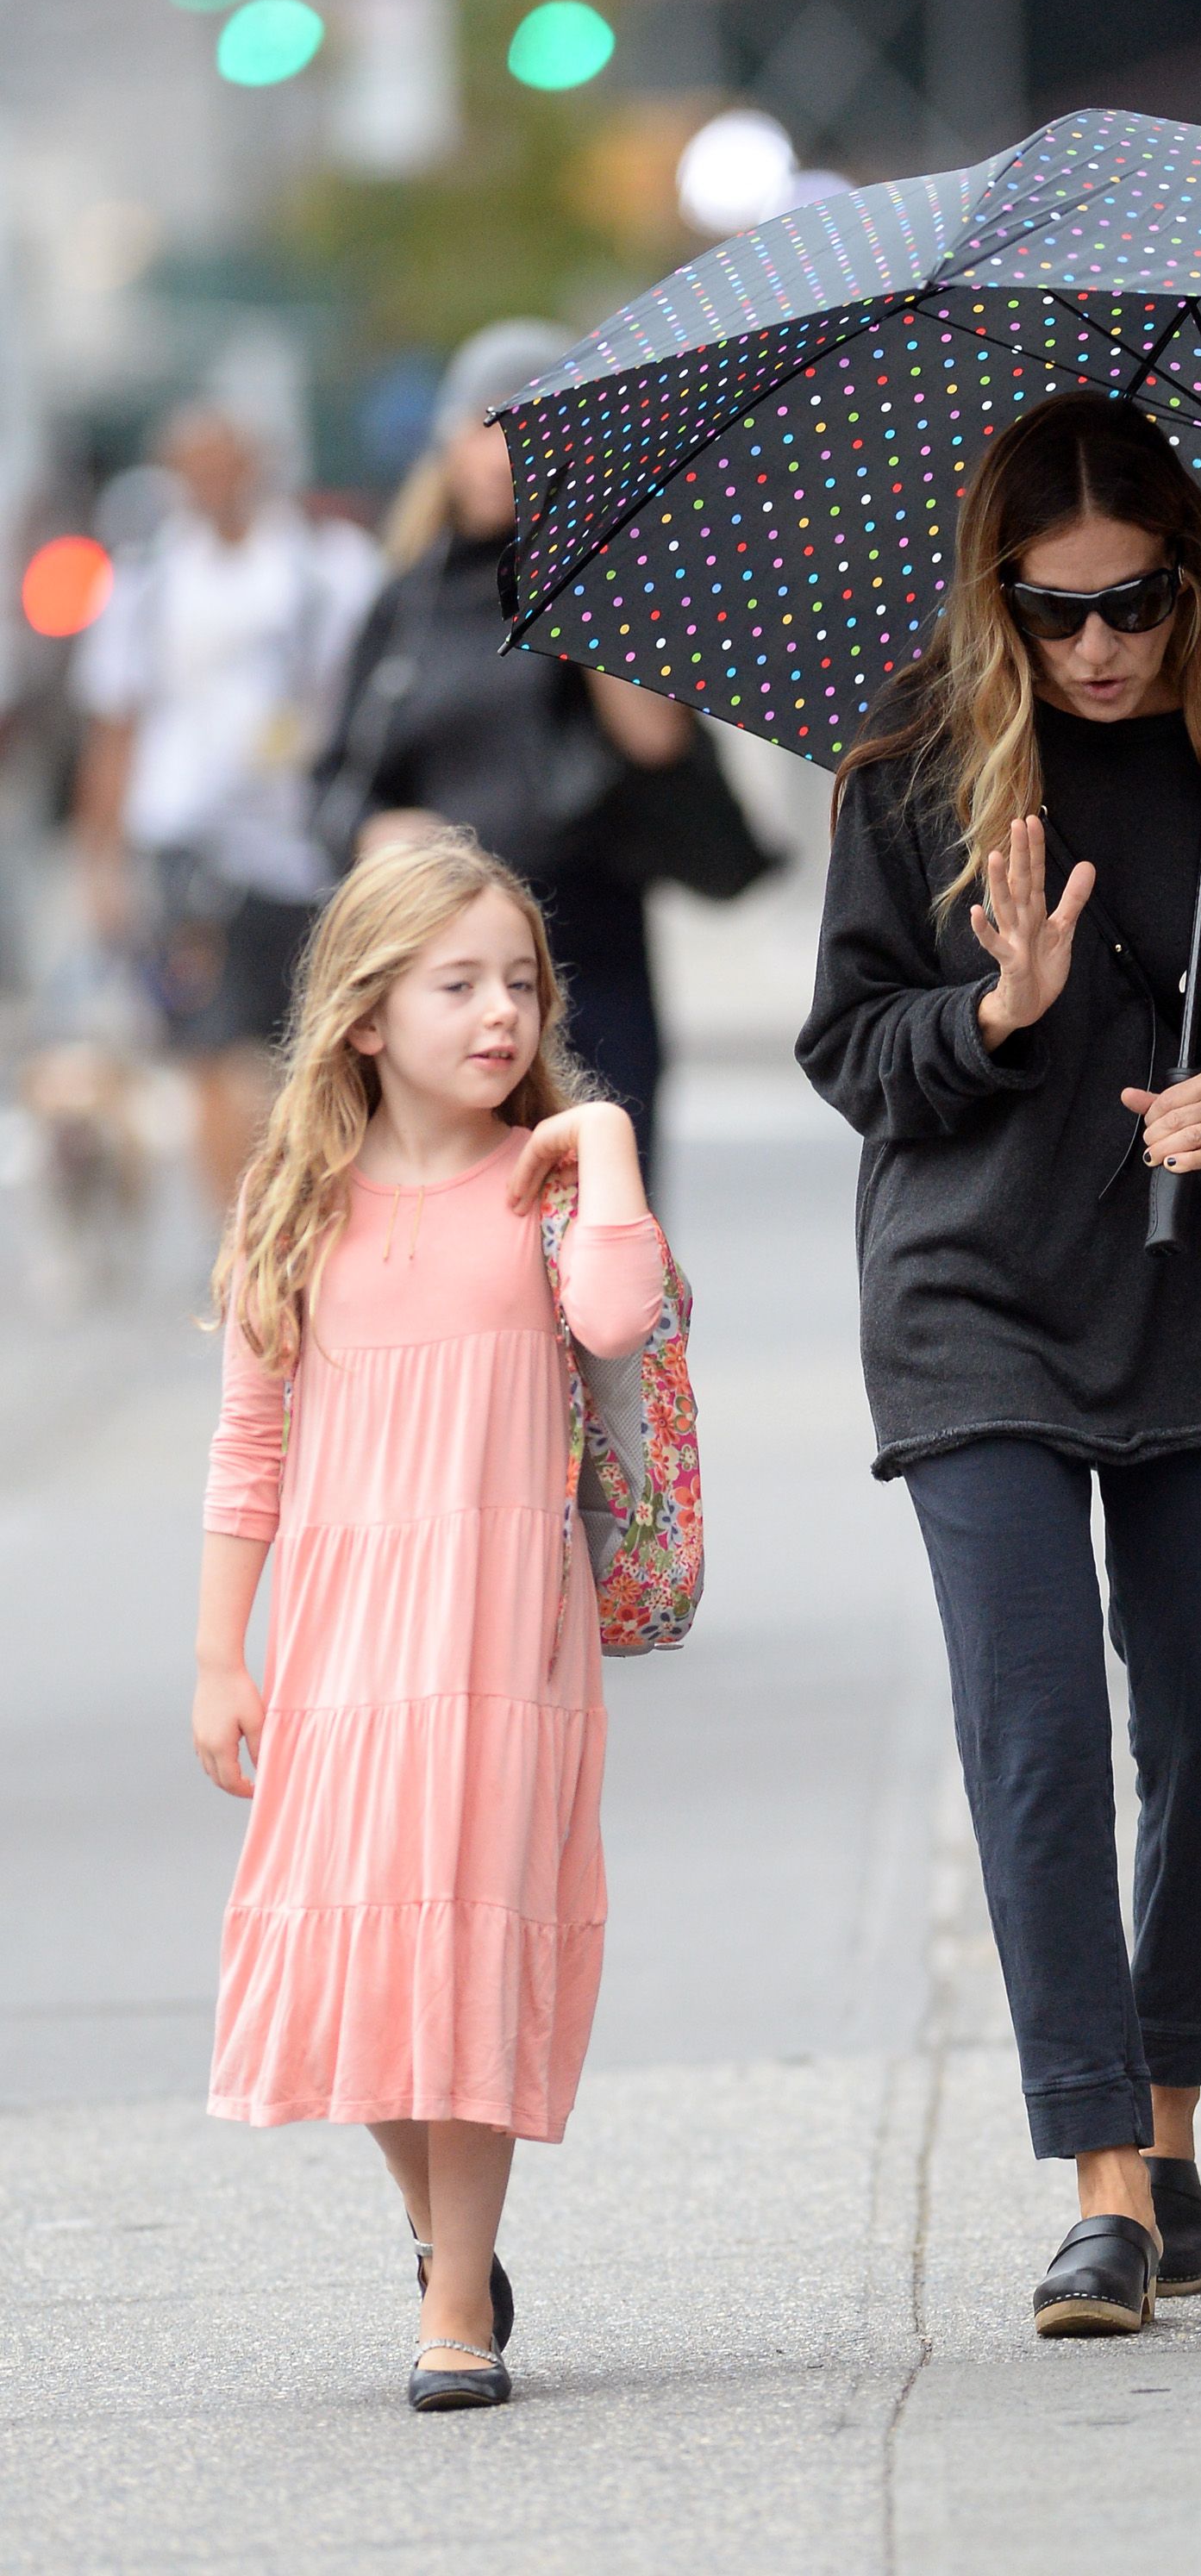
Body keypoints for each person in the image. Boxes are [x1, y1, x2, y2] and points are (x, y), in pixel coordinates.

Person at [797, 393, 1201, 2338]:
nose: (1102, 647)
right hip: (977, 1299)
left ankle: (1171, 2097)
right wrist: (993, 1010)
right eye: (1057, 614)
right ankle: (1102, 2184)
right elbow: (851, 1051)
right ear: (1000, 605)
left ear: (1193, 581)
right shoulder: (907, 760)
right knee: (1036, 1731)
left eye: (1138, 601)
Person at [192, 828, 666, 2411]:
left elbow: (615, 1317)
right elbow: (249, 1448)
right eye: (456, 983)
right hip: (340, 1646)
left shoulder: (544, 1191)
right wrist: (219, 1655)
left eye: (522, 982)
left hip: (496, 1643)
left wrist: (599, 1141)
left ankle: (455, 2301)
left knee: (459, 1957)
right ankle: (433, 2225)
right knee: (355, 1961)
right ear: (364, 1014)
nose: (500, 1014)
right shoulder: (294, 1200)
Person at [316, 321, 769, 1168]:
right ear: (448, 439)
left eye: (533, 427)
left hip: (583, 957)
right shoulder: (408, 602)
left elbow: (654, 741)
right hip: (438, 966)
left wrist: (588, 568)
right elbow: (338, 782)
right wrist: (371, 834)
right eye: (487, 424)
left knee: (596, 1238)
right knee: (458, 1239)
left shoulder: (606, 581)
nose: (503, 450)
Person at [71, 404, 382, 1210]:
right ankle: (243, 1241)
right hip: (187, 844)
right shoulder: (145, 580)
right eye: (193, 468)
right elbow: (116, 725)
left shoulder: (329, 568)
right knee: (210, 1050)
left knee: (319, 1047)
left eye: (225, 464)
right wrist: (99, 862)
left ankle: (315, 1213)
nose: (210, 484)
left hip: (305, 841)